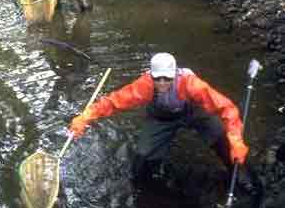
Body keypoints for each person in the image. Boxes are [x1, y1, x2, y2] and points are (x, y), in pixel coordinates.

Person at [68, 53, 251, 183]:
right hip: (161, 118)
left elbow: (227, 108)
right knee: (143, 157)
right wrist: (85, 117)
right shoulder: (145, 85)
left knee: (222, 138)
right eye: (158, 79)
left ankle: (238, 172)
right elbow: (114, 101)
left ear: (174, 74)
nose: (162, 83)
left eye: (167, 78)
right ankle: (152, 185)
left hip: (193, 113)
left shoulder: (191, 84)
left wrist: (236, 141)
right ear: (152, 76)